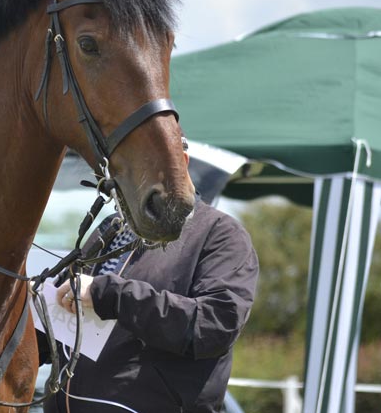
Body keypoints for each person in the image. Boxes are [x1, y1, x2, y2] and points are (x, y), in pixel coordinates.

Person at [45, 168, 259, 412]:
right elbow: (63, 318)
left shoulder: (220, 232)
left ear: (181, 160)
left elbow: (214, 325)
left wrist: (110, 295)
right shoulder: (112, 227)